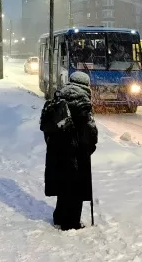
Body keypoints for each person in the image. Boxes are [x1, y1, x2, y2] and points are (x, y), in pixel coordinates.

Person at [40, 71, 98, 231]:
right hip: (75, 152)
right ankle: (71, 223)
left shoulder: (58, 97)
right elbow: (89, 131)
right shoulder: (82, 101)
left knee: (63, 186)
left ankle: (59, 217)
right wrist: (89, 147)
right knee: (76, 188)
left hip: (57, 150)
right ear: (86, 85)